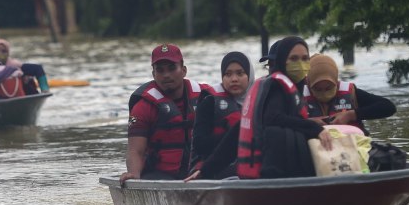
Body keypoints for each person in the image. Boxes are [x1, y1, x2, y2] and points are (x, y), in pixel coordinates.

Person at [189, 36, 331, 181]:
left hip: (290, 170)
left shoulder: (290, 88)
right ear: (282, 61)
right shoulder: (275, 88)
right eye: (294, 59)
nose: (300, 64)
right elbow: (271, 118)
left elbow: (239, 132)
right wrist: (314, 128)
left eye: (305, 59)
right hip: (274, 173)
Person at [119, 44, 210, 182]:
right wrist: (134, 175)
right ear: (153, 74)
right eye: (160, 70)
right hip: (159, 175)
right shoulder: (143, 106)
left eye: (172, 68)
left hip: (198, 171)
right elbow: (135, 151)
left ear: (183, 70)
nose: (166, 75)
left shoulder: (206, 97)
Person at [189, 51, 252, 179]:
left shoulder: (259, 101)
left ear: (249, 76)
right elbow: (200, 145)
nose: (234, 79)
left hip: (248, 163)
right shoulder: (209, 100)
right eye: (228, 74)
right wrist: (234, 137)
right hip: (211, 166)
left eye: (240, 73)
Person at [304, 53, 396, 134]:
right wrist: (307, 122)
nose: (324, 93)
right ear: (308, 83)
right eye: (317, 89)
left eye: (329, 88)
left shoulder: (351, 93)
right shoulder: (299, 96)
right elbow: (294, 122)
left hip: (352, 142)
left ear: (336, 81)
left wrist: (351, 115)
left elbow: (388, 107)